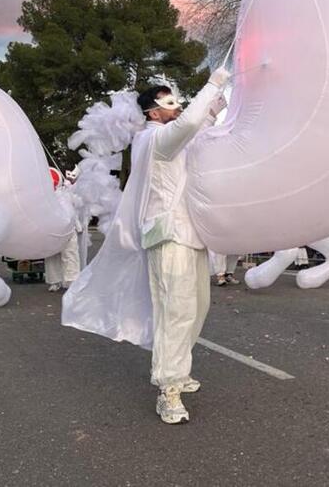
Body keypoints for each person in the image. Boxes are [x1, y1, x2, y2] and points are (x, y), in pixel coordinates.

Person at [136, 72, 229, 424]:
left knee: (196, 307)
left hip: (193, 233)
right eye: (168, 102)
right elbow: (187, 125)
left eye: (177, 100)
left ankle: (179, 369)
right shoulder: (154, 139)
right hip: (168, 233)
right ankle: (168, 389)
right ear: (151, 112)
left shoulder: (173, 139)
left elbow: (196, 131)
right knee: (175, 311)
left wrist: (211, 112)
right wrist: (213, 85)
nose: (176, 106)